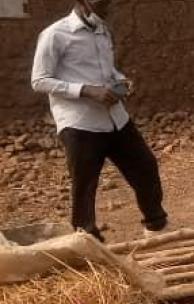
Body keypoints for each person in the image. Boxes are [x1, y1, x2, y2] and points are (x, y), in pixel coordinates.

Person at [30, 0, 169, 242]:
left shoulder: (102, 31)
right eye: (100, 1)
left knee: (145, 166)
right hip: (80, 123)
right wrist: (86, 90)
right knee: (84, 185)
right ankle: (88, 240)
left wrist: (121, 81)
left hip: (115, 117)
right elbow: (39, 80)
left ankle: (155, 226)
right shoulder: (55, 34)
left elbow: (108, 71)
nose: (106, 5)